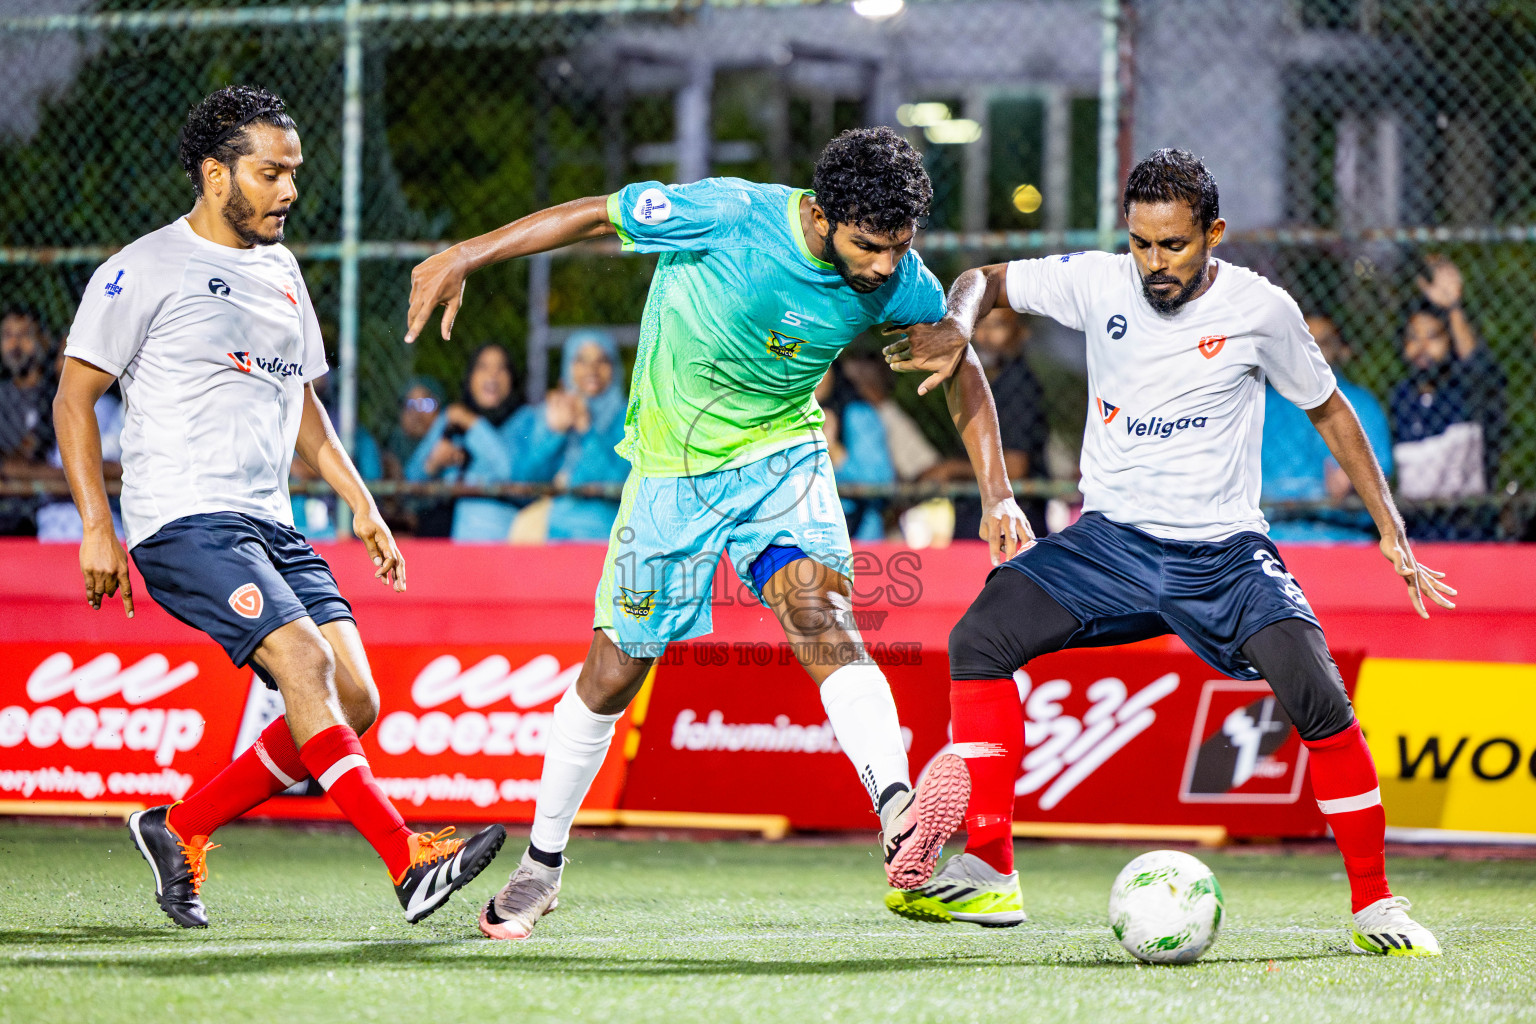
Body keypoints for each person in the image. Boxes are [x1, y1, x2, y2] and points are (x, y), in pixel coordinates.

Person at [406, 127, 1030, 940]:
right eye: (869, 246)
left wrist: (999, 493)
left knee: (821, 615)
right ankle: (542, 865)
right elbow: (598, 216)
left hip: (780, 456)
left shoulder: (897, 281)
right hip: (673, 468)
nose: (884, 266)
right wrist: (467, 254)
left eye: (898, 248)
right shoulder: (729, 214)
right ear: (821, 214)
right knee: (612, 674)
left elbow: (959, 367)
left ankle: (898, 810)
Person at [885, 148, 1453, 955]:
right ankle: (991, 870)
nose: (1155, 264)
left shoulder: (1262, 310)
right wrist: (958, 320)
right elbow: (985, 278)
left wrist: (1390, 527)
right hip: (1109, 545)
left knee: (1317, 695)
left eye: (1175, 246)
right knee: (979, 637)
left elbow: (1330, 411)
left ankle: (1375, 906)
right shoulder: (1098, 280)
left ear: (1212, 234)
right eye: (1143, 244)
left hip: (1222, 554)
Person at [52, 85, 504, 929]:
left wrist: (362, 506)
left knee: (358, 701)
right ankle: (408, 859)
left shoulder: (283, 270)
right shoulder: (142, 268)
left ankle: (178, 827)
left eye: (293, 171)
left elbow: (302, 402)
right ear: (215, 174)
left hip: (273, 522)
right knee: (305, 664)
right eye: (270, 173)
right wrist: (95, 527)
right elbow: (74, 399)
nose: (290, 190)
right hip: (183, 518)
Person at [1262, 314, 1393, 541]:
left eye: (1322, 342)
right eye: (1303, 341)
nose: (1311, 350)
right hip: (1273, 536)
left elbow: (1383, 473)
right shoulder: (1264, 404)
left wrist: (1357, 479)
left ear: (1343, 350)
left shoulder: (1362, 405)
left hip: (1342, 536)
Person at [922, 307, 1050, 540]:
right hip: (980, 521)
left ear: (1020, 333)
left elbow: (1015, 467)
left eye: (998, 325)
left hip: (1011, 526)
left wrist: (951, 469)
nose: (985, 336)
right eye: (980, 325)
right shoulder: (977, 384)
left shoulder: (1018, 386)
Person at [513, 329, 630, 541]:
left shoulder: (628, 418)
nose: (592, 369)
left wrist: (586, 428)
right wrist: (554, 433)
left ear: (614, 368)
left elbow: (617, 481)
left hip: (607, 532)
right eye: (581, 361)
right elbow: (523, 479)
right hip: (552, 532)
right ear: (567, 366)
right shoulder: (550, 412)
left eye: (602, 360)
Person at [405, 343, 524, 541]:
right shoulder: (452, 418)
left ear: (512, 378)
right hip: (451, 541)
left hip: (503, 538)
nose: (492, 376)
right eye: (483, 367)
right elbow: (409, 480)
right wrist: (433, 463)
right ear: (470, 377)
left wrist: (473, 423)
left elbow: (511, 472)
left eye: (501, 368)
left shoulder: (524, 420)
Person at [816, 358, 895, 541]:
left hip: (857, 537)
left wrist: (832, 448)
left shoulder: (857, 414)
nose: (812, 373)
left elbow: (879, 482)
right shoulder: (777, 418)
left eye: (819, 363)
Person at [0, 307, 59, 534]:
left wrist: (12, 464)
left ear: (43, 341)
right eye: (7, 336)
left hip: (45, 511)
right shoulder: (3, 396)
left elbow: (34, 452)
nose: (14, 345)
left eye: (24, 335)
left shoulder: (54, 395)